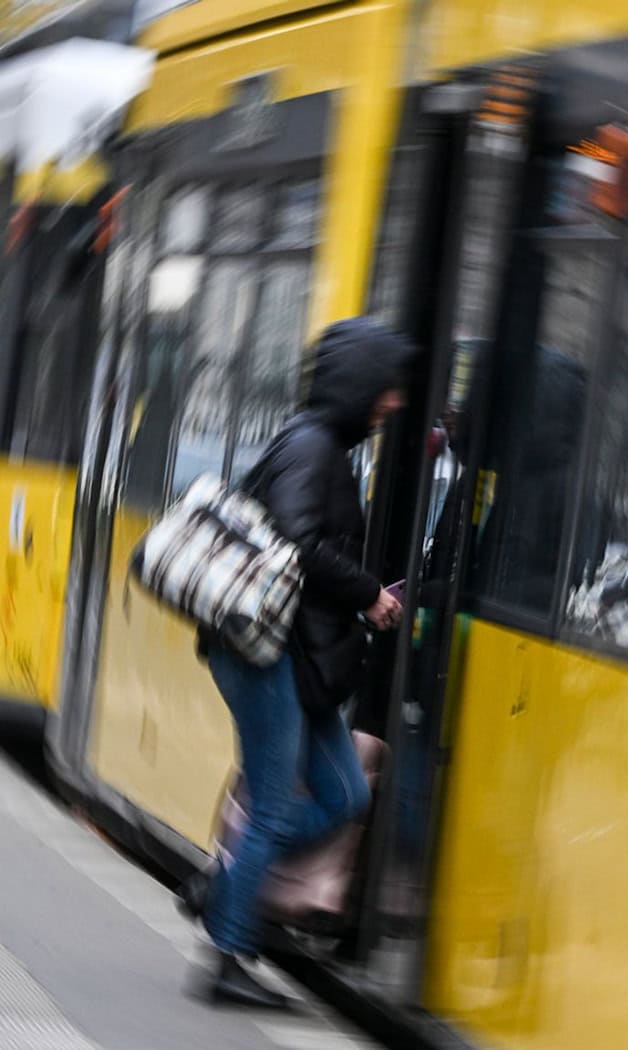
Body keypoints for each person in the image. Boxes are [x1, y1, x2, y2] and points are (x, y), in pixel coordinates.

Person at [178, 317, 413, 1008]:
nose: (393, 403)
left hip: (296, 656)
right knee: (276, 805)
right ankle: (225, 958)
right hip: (263, 651)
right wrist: (368, 592)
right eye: (386, 388)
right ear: (359, 384)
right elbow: (297, 542)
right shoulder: (312, 448)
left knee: (346, 794)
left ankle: (222, 885)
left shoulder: (323, 447)